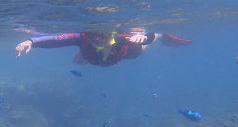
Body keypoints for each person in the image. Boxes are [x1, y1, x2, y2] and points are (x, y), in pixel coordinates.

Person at [15, 30, 192, 67]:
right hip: (95, 59)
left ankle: (163, 37)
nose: (98, 38)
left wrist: (146, 37)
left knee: (140, 51)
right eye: (94, 35)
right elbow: (57, 40)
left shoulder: (123, 39)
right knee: (89, 54)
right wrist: (32, 42)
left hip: (124, 55)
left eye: (103, 35)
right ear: (88, 34)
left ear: (112, 35)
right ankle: (89, 56)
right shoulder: (81, 38)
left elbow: (146, 39)